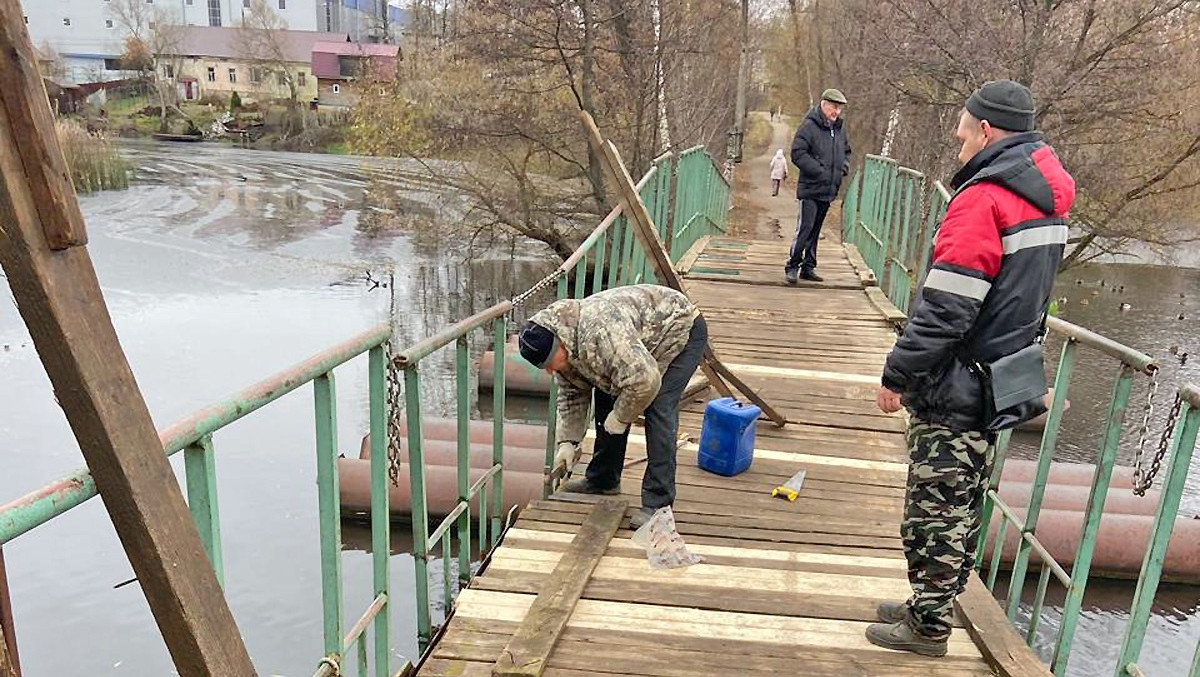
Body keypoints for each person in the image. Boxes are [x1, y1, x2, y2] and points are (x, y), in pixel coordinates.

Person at [867, 80, 1075, 656]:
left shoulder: (984, 199)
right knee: (965, 497)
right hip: (1004, 372)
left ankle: (928, 626)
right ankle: (932, 602)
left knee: (934, 507)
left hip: (959, 380)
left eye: (962, 133)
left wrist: (899, 373)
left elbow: (947, 307)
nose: (958, 144)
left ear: (986, 130)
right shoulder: (1045, 197)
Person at [517, 284, 708, 529]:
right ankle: (603, 479)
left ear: (561, 345)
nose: (550, 371)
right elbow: (572, 395)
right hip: (637, 343)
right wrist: (568, 442)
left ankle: (658, 505)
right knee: (608, 390)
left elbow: (645, 381)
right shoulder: (561, 341)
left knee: (658, 407)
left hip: (679, 329)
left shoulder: (601, 334)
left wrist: (621, 417)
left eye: (550, 363)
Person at [784, 88, 851, 284]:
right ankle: (792, 265)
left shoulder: (838, 129)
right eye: (834, 107)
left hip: (829, 188)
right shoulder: (809, 126)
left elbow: (847, 151)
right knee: (805, 227)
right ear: (824, 104)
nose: (836, 112)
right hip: (811, 187)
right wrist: (819, 171)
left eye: (839, 109)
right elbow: (797, 153)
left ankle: (808, 267)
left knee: (816, 229)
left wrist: (842, 169)